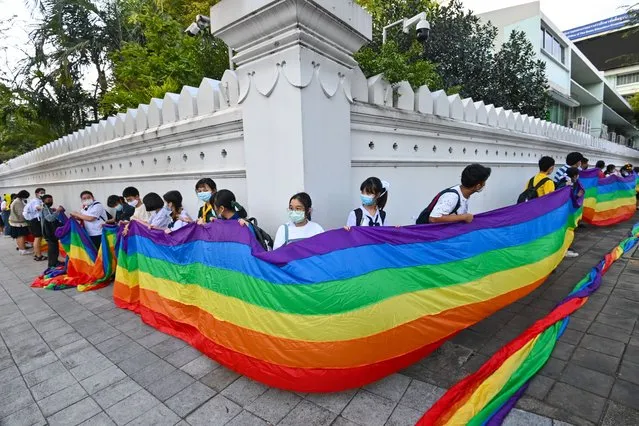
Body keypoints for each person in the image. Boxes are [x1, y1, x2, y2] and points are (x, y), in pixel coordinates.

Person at [418, 164, 491, 224]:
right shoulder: (452, 197)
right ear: (478, 186)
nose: (484, 184)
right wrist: (464, 217)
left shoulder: (462, 192)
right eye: (484, 182)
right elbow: (434, 218)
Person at [41, 194, 65, 268]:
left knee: (54, 247)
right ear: (44, 201)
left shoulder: (48, 208)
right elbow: (50, 218)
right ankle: (52, 264)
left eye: (51, 200)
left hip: (50, 231)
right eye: (48, 200)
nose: (50, 201)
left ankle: (54, 261)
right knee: (52, 248)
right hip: (49, 232)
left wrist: (53, 211)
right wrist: (58, 211)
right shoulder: (45, 209)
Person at [23, 187, 46, 261]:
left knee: (37, 238)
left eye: (44, 192)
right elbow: (38, 207)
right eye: (41, 192)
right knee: (38, 238)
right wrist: (46, 207)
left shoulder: (35, 200)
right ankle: (39, 256)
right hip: (36, 221)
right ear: (36, 193)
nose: (43, 194)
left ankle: (36, 254)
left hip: (33, 221)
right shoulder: (36, 201)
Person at [9, 190, 32, 255]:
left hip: (14, 222)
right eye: (26, 197)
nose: (26, 198)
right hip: (19, 223)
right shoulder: (18, 202)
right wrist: (29, 217)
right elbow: (21, 213)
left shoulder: (16, 200)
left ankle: (21, 248)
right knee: (21, 236)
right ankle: (22, 250)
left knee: (18, 236)